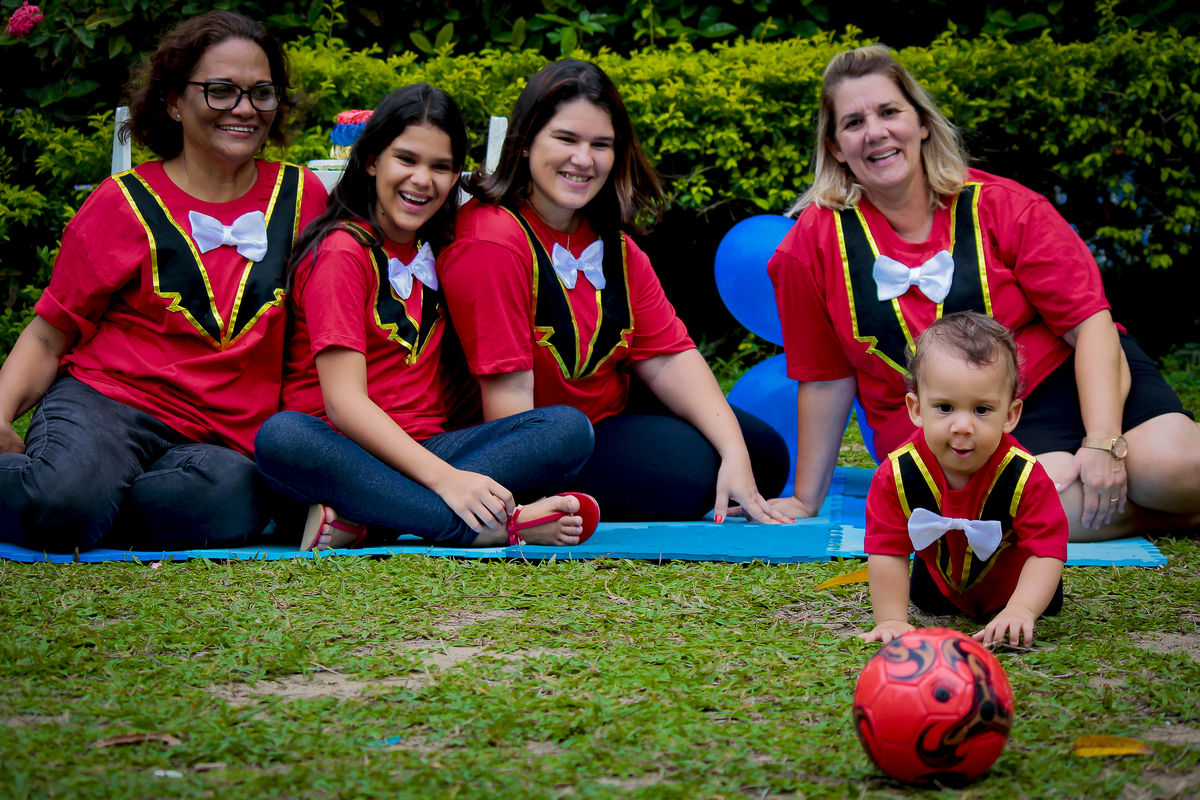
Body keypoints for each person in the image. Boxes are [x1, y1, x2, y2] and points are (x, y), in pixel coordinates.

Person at [768, 44, 1200, 542]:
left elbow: (1090, 326)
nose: (876, 132)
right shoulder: (809, 247)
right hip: (957, 428)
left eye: (889, 112)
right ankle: (1177, 517)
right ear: (836, 146)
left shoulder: (1007, 206)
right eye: (853, 123)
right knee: (1024, 512)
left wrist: (1103, 442)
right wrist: (806, 498)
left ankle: (1160, 488)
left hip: (1069, 379)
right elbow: (825, 378)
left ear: (921, 122)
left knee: (1176, 469)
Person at [0, 11, 328, 552]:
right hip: (108, 405)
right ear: (174, 101)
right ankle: (69, 498)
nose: (245, 109)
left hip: (222, 440)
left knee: (233, 501)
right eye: (221, 91)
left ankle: (89, 503)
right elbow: (47, 335)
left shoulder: (304, 196)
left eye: (261, 93)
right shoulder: (121, 202)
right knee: (59, 502)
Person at [439, 58, 791, 524]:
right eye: (566, 139)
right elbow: (510, 404)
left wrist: (735, 453)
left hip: (608, 414)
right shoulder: (491, 241)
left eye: (600, 144)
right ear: (524, 143)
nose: (583, 159)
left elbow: (669, 356)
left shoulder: (610, 242)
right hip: (543, 439)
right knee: (694, 472)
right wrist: (526, 498)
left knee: (761, 454)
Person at [253, 84, 598, 550]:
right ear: (371, 160)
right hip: (340, 457)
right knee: (282, 437)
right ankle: (492, 527)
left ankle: (374, 522)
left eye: (441, 167)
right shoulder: (342, 252)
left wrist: (448, 471)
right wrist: (448, 481)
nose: (422, 179)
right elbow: (344, 404)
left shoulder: (441, 248)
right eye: (407, 159)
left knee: (566, 429)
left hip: (428, 449)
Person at [860, 313, 1067, 647]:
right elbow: (886, 548)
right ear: (916, 409)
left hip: (1016, 583)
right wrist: (891, 620)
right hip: (937, 587)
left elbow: (1046, 548)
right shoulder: (896, 473)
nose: (962, 427)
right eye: (944, 407)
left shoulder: (1025, 475)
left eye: (982, 410)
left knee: (1042, 593)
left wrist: (1023, 609)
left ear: (1010, 415)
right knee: (924, 596)